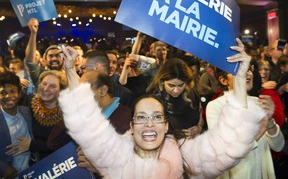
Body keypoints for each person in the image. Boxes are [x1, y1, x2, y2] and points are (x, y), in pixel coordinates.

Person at [58, 38, 272, 178]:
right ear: (131, 126)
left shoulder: (185, 152)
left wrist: (241, 76)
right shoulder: (123, 151)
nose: (149, 124)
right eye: (141, 117)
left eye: (157, 117)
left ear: (166, 124)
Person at [206, 62, 284, 178]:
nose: (247, 74)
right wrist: (259, 132)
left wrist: (270, 122)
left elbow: (278, 146)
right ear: (223, 81)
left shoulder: (259, 102)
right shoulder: (216, 106)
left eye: (248, 69)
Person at [5, 70, 68, 161]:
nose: (46, 89)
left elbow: (63, 146)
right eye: (44, 83)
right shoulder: (28, 102)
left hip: (55, 164)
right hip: (29, 163)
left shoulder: (68, 114)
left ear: (61, 90)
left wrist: (32, 144)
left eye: (52, 86)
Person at [146, 57, 203, 138]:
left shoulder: (193, 91)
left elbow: (202, 111)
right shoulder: (152, 95)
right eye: (171, 85)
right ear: (162, 82)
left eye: (180, 85)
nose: (176, 91)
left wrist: (199, 127)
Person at [0, 72, 33, 178]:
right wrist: (3, 167)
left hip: (33, 171)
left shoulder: (27, 112)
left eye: (12, 91)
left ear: (19, 93)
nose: (8, 96)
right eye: (3, 93)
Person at [24, 18, 64, 88]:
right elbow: (30, 61)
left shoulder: (69, 75)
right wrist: (33, 34)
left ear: (63, 59)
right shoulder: (39, 74)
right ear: (44, 59)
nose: (54, 58)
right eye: (51, 56)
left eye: (58, 56)